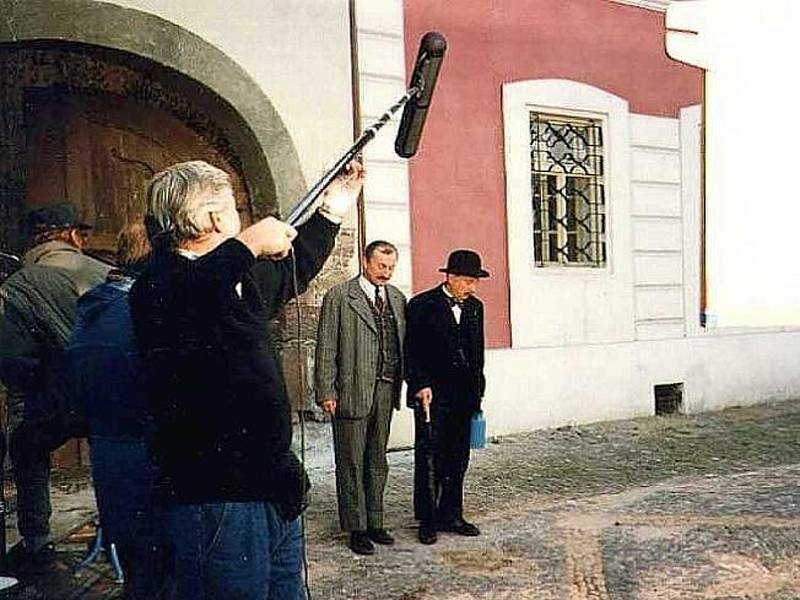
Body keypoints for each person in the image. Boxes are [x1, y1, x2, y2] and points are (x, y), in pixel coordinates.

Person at [129, 159, 363, 599]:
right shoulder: (160, 283)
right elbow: (195, 291)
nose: (242, 218)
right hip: (216, 497)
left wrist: (333, 207)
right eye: (234, 209)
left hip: (269, 485)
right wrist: (249, 244)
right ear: (215, 217)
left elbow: (296, 265)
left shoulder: (232, 277)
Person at [0, 201, 110, 568]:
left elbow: (14, 362)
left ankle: (36, 541)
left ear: (33, 242)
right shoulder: (107, 273)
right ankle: (119, 530)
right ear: (74, 236)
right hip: (114, 398)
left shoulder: (18, 286)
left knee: (26, 446)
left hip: (58, 402)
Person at [66, 222, 171, 598]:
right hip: (148, 456)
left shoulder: (94, 307)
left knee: (137, 570)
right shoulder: (139, 310)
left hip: (110, 457)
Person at [315, 241, 406, 555]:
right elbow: (325, 347)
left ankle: (376, 521)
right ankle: (356, 528)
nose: (386, 272)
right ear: (365, 262)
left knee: (377, 458)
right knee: (351, 461)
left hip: (386, 388)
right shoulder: (340, 297)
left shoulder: (396, 298)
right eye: (381, 266)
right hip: (351, 389)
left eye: (391, 267)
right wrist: (326, 390)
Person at [404, 249, 489, 545]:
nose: (472, 287)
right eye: (467, 281)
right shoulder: (421, 305)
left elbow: (477, 354)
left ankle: (451, 514)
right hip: (431, 397)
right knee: (430, 458)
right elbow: (411, 352)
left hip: (463, 397)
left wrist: (478, 391)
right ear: (450, 278)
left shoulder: (476, 307)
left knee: (458, 459)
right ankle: (427, 520)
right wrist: (419, 384)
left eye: (475, 281)